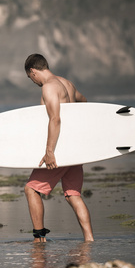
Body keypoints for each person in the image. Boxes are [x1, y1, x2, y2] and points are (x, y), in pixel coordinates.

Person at [23, 54, 94, 242]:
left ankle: (39, 238)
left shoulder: (49, 87)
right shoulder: (66, 83)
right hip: (74, 150)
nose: (33, 81)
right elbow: (84, 101)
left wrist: (49, 151)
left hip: (60, 149)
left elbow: (55, 119)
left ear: (33, 71)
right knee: (73, 195)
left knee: (31, 189)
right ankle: (89, 239)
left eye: (30, 77)